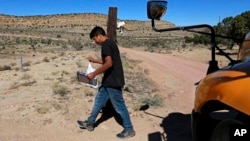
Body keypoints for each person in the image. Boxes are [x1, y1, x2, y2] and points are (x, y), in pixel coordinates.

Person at [77, 26, 135, 139]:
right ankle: (90, 122)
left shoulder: (106, 45)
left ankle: (129, 129)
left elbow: (108, 64)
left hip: (113, 81)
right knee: (99, 101)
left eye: (94, 39)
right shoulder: (110, 43)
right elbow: (106, 61)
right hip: (109, 81)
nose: (95, 42)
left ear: (99, 36)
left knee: (119, 106)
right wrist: (95, 60)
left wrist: (94, 74)